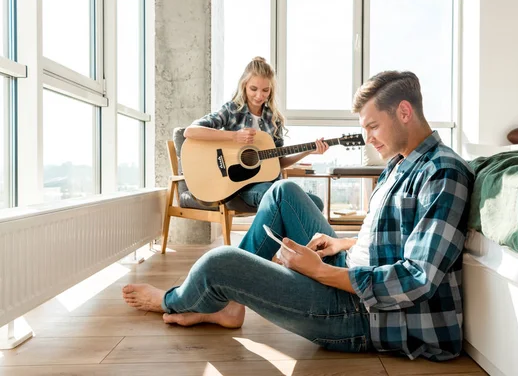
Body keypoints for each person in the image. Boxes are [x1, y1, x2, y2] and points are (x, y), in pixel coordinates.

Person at [123, 71, 475, 361]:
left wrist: (321, 271)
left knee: (221, 262)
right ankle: (228, 305)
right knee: (282, 193)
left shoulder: (443, 172)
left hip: (367, 315)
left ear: (403, 112)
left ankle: (172, 299)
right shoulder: (400, 163)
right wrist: (342, 241)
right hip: (352, 269)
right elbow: (394, 237)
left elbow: (417, 278)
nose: (369, 138)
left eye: (373, 127)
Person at [183, 56, 328, 210]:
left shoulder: (274, 119)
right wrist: (234, 136)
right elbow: (191, 132)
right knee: (278, 196)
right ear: (244, 85)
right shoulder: (232, 110)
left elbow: (277, 162)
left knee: (316, 203)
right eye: (254, 89)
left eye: (265, 90)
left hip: (270, 184)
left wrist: (307, 151)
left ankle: (278, 234)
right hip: (241, 187)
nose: (259, 96)